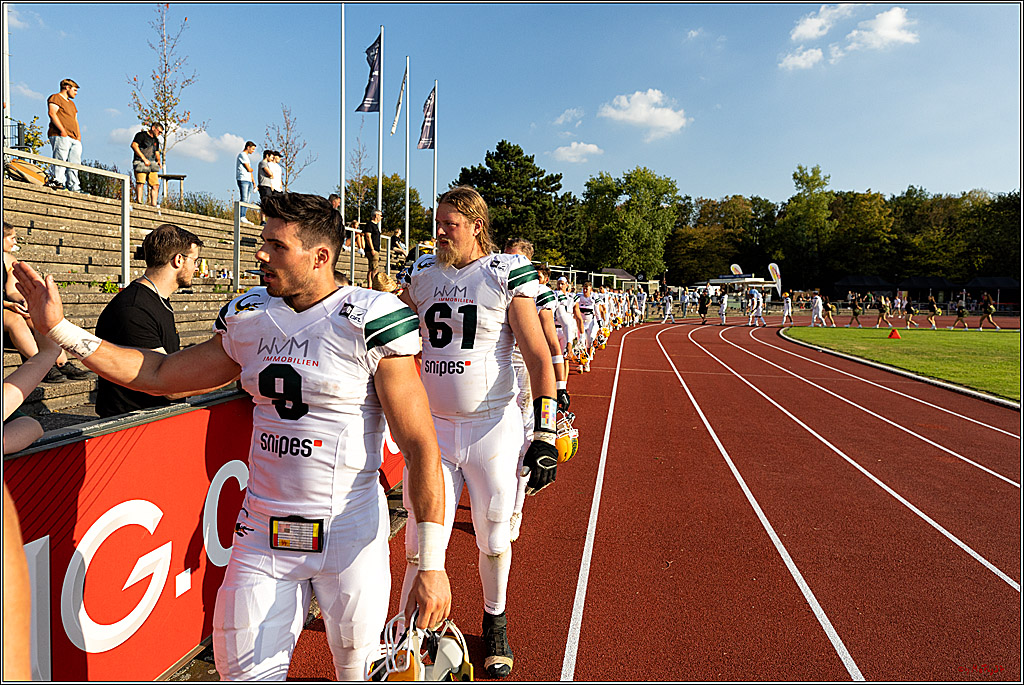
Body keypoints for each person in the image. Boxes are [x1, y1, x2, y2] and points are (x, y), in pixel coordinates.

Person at [13, 191, 451, 681]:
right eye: (263, 241)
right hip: (263, 532)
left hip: (349, 534)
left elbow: (419, 447)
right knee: (240, 674)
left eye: (276, 245)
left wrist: (430, 562)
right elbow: (158, 373)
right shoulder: (250, 316)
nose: (260, 253)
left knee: (360, 671)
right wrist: (61, 330)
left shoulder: (368, 318)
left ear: (320, 256)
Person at [398, 186, 557, 679]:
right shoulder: (421, 276)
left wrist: (547, 431)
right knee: (421, 544)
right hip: (435, 431)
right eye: (437, 222)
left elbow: (536, 353)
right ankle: (411, 635)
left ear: (476, 225)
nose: (440, 232)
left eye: (450, 223)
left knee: (492, 538)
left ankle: (494, 620)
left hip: (494, 428)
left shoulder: (505, 273)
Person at [93, 224, 223, 418]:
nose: (196, 267)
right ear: (179, 260)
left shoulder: (156, 299)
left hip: (149, 420)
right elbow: (167, 385)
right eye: (196, 260)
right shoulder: (134, 310)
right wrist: (235, 373)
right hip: (130, 426)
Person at [3, 222, 91, 383]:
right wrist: (9, 305)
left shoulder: (8, 259)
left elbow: (11, 291)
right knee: (15, 319)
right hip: (5, 309)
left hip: (6, 305)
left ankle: (61, 362)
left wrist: (23, 300)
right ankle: (43, 365)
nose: (15, 242)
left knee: (34, 315)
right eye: (12, 238)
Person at [46, 78, 82, 192]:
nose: (75, 93)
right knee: (60, 159)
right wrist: (62, 131)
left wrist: (79, 135)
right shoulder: (55, 97)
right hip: (61, 135)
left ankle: (74, 186)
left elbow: (75, 120)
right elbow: (52, 113)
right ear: (67, 87)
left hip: (74, 137)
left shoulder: (72, 104)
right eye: (74, 90)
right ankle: (58, 181)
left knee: (75, 162)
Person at [131, 122, 164, 206]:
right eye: (159, 131)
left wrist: (159, 161)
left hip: (152, 164)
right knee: (140, 183)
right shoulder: (141, 135)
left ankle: (154, 205)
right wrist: (143, 158)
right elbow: (134, 145)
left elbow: (156, 152)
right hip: (140, 162)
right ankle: (139, 202)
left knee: (155, 185)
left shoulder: (156, 140)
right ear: (153, 128)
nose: (159, 134)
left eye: (161, 133)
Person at [236, 141, 257, 222]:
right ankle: (241, 216)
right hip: (243, 179)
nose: (253, 151)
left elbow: (250, 172)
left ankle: (243, 215)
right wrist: (251, 169)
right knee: (244, 198)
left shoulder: (247, 157)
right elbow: (249, 169)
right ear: (248, 147)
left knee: (247, 199)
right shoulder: (242, 155)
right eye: (252, 149)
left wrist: (254, 182)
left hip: (248, 179)